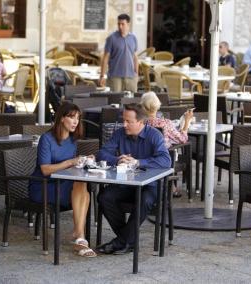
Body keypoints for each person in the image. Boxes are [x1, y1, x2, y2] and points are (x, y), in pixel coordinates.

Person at [96, 103, 171, 255]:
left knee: (144, 200)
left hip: (151, 186)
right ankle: (128, 240)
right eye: (123, 120)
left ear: (141, 122)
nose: (124, 125)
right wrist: (117, 159)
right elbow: (102, 153)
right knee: (104, 197)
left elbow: (166, 160)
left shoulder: (154, 135)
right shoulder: (120, 133)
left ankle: (122, 241)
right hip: (126, 184)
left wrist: (138, 162)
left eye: (128, 122)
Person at [29, 102, 96, 258]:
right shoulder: (46, 139)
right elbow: (45, 169)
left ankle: (79, 236)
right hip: (43, 187)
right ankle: (79, 235)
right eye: (71, 117)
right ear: (61, 118)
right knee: (81, 190)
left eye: (78, 118)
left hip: (61, 184)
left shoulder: (72, 140)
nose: (75, 122)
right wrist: (71, 162)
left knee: (82, 184)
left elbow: (69, 167)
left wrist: (84, 160)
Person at [141, 91, 193, 197]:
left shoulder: (139, 123)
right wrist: (187, 122)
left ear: (143, 107)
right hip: (163, 159)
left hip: (144, 158)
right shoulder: (165, 123)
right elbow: (183, 139)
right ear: (157, 105)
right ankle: (171, 187)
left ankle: (171, 187)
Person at [99, 14, 139, 92]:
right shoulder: (111, 38)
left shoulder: (133, 38)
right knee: (116, 101)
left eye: (122, 24)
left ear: (128, 24)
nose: (120, 26)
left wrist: (136, 73)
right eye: (118, 24)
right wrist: (102, 75)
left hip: (131, 76)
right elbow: (106, 57)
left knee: (133, 101)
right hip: (115, 77)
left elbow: (135, 57)